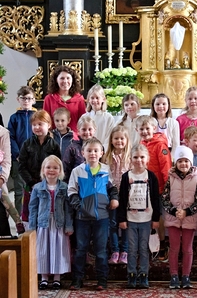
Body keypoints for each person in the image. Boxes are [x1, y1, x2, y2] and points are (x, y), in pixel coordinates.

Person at [68, 137, 119, 291]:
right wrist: (81, 206)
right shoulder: (77, 171)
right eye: (89, 150)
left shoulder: (105, 169)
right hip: (82, 218)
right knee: (81, 249)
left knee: (101, 250)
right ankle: (77, 279)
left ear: (101, 152)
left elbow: (112, 188)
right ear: (83, 152)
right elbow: (71, 192)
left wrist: (114, 199)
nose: (92, 153)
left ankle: (102, 280)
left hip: (102, 217)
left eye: (96, 150)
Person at [118, 144, 160, 289]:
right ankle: (131, 275)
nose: (139, 160)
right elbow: (122, 198)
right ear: (130, 159)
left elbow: (156, 199)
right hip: (130, 220)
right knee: (132, 249)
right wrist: (122, 218)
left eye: (142, 157)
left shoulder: (151, 176)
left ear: (147, 159)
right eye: (135, 157)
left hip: (146, 219)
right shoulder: (126, 177)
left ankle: (143, 275)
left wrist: (156, 219)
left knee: (143, 248)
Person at [28, 155, 73, 290]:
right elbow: (33, 208)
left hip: (59, 223)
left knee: (58, 249)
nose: (51, 170)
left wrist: (69, 225)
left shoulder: (64, 187)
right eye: (48, 167)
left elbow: (68, 209)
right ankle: (44, 278)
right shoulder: (37, 188)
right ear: (43, 170)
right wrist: (31, 228)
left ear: (60, 170)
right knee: (43, 250)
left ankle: (57, 278)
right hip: (43, 223)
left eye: (55, 167)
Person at [161, 146, 197, 289]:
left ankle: (186, 276)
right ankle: (173, 276)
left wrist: (187, 211)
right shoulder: (170, 178)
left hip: (189, 218)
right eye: (180, 161)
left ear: (191, 162)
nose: (183, 164)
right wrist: (174, 211)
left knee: (187, 248)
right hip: (173, 218)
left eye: (186, 161)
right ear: (175, 163)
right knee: (174, 248)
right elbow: (165, 198)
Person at [136, 115, 172, 262]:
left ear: (154, 128)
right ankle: (150, 245)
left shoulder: (160, 145)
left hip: (158, 187)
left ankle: (163, 244)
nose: (145, 131)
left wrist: (166, 188)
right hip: (143, 186)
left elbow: (166, 168)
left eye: (147, 128)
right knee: (145, 216)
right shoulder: (141, 144)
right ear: (137, 130)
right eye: (142, 129)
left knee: (158, 217)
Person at [18, 110, 61, 225]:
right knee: (30, 211)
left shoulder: (54, 145)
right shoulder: (27, 144)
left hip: (48, 184)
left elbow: (57, 166)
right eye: (34, 125)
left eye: (40, 124)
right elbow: (21, 166)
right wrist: (31, 182)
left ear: (49, 125)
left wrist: (48, 181)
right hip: (30, 184)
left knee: (45, 211)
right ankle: (29, 233)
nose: (37, 127)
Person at [102, 125, 131, 265]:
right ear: (111, 140)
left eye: (122, 138)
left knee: (125, 224)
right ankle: (115, 250)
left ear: (126, 140)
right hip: (111, 195)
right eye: (116, 138)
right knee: (112, 224)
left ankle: (125, 251)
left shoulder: (130, 156)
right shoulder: (106, 157)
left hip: (127, 196)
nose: (119, 141)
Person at [7, 85, 37, 215]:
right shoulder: (14, 118)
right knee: (19, 190)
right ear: (18, 99)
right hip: (18, 159)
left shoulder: (37, 116)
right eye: (23, 98)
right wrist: (18, 154)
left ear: (34, 100)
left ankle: (33, 218)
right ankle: (20, 220)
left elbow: (40, 135)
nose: (26, 101)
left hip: (34, 159)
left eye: (29, 98)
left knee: (34, 189)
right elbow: (11, 137)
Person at [43, 65, 86, 135]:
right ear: (56, 80)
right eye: (62, 78)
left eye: (68, 78)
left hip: (74, 138)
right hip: (55, 137)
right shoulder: (49, 98)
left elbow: (82, 121)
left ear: (72, 80)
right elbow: (46, 120)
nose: (65, 81)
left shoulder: (79, 99)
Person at [0, 125, 25, 235]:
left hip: (0, 178)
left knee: (5, 200)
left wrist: (2, 178)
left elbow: (6, 161)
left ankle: (18, 221)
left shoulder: (3, 133)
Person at [63, 116, 96, 183]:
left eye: (90, 129)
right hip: (77, 184)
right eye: (84, 129)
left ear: (95, 129)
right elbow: (65, 170)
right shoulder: (72, 148)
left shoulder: (99, 147)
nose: (87, 132)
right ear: (78, 131)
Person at [176, 86, 197, 151]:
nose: (193, 101)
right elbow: (177, 140)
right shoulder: (180, 120)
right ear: (186, 100)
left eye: (195, 98)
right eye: (190, 99)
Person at [82, 84, 114, 151]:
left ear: (103, 99)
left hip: (103, 151)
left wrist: (102, 150)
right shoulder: (84, 117)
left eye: (97, 98)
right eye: (92, 98)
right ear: (88, 99)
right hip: (88, 151)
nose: (94, 100)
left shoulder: (108, 118)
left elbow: (109, 137)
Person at [150, 93, 180, 159]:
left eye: (164, 104)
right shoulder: (149, 122)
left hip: (169, 152)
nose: (161, 106)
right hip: (153, 153)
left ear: (168, 106)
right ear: (153, 106)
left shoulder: (174, 123)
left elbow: (176, 144)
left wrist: (171, 158)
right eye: (157, 104)